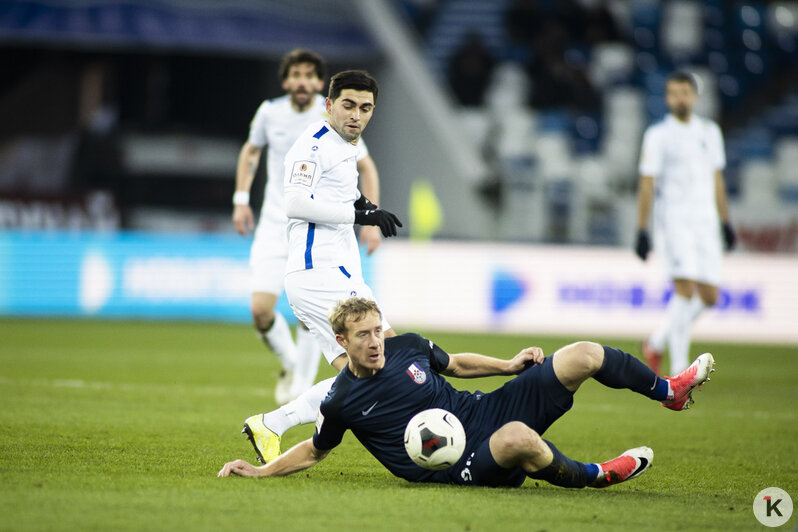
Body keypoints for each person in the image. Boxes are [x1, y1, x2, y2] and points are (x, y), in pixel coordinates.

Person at [219, 297, 715, 488]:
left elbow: (454, 364)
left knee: (584, 353)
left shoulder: (407, 346)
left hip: (485, 409)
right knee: (519, 439)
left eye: (377, 331)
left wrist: (509, 364)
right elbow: (316, 450)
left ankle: (668, 390)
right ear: (342, 342)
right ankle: (597, 475)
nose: (375, 342)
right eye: (363, 335)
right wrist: (261, 469)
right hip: (455, 462)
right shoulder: (340, 400)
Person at [239, 70, 402, 463]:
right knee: (389, 360)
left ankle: (272, 424)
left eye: (365, 109)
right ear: (328, 105)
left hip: (340, 271)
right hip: (318, 273)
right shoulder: (312, 145)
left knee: (375, 368)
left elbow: (338, 190)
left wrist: (362, 203)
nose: (356, 116)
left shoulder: (346, 146)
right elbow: (295, 203)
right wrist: (356, 214)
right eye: (348, 105)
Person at [232, 50, 384, 404]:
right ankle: (291, 366)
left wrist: (371, 218)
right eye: (295, 74)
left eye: (309, 75)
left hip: (320, 231)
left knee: (311, 315)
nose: (302, 81)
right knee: (260, 310)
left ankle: (300, 386)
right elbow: (251, 152)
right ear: (286, 81)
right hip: (275, 223)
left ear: (319, 84)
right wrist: (241, 198)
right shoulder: (270, 112)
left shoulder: (342, 113)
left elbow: (366, 168)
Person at [635, 71, 735, 377]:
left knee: (710, 297)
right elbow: (647, 182)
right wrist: (642, 228)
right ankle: (680, 372)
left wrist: (726, 221)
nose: (680, 98)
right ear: (667, 98)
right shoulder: (658, 135)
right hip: (675, 221)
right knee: (685, 292)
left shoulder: (710, 132)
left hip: (705, 222)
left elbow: (717, 179)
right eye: (674, 93)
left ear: (695, 97)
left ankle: (656, 342)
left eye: (685, 92)